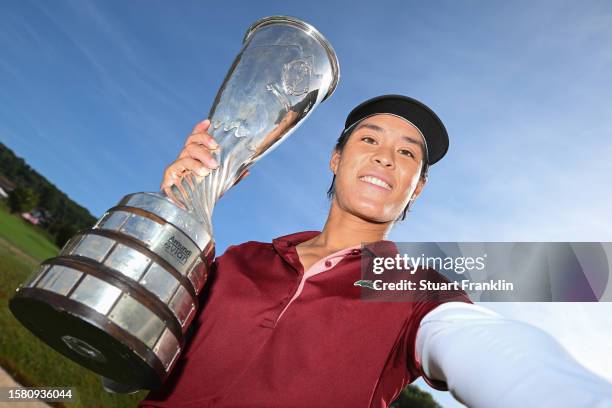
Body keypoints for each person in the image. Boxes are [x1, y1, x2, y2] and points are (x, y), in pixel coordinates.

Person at [139, 95, 612, 408]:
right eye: (368, 140)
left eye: (407, 154)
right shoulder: (239, 259)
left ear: (417, 189)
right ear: (336, 158)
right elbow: (123, 372)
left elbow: (489, 348)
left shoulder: (416, 291)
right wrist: (181, 207)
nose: (386, 157)